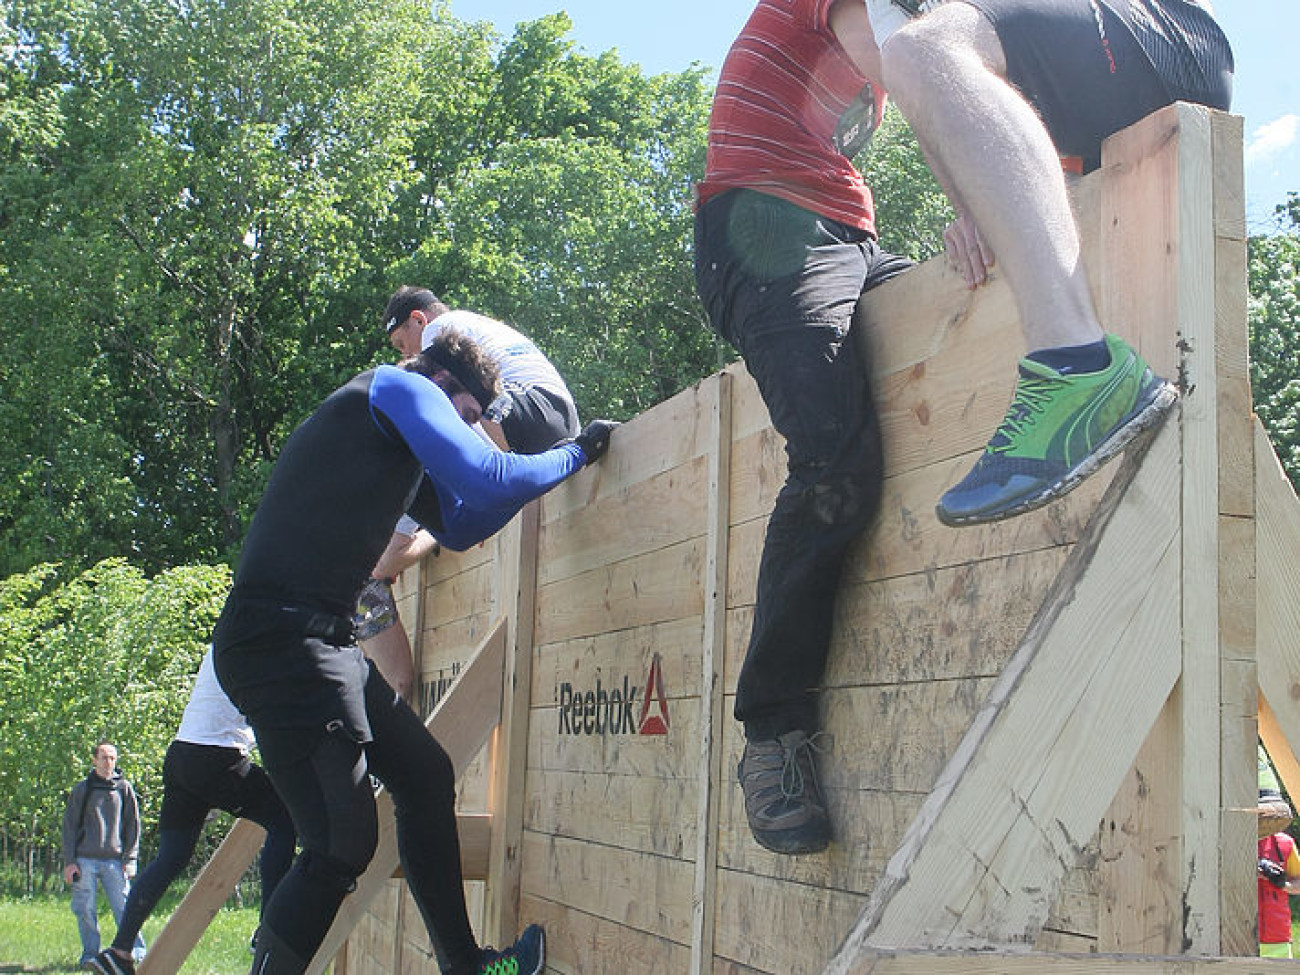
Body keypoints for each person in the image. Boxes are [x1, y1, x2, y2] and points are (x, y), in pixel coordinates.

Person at [211, 327, 615, 974]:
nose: (471, 434)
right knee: (340, 841)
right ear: (445, 383)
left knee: (424, 775)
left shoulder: (397, 442)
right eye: (470, 419)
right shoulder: (394, 388)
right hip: (280, 636)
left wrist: (531, 477)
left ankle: (465, 965)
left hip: (320, 638)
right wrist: (575, 451)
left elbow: (462, 524)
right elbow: (489, 477)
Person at [846, 0, 1232, 525]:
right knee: (913, 53)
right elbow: (919, 90)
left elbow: (931, 54)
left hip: (1163, 36)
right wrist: (974, 205)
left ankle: (1076, 363)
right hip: (1083, 96)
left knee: (925, 46)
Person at [693, 0, 914, 854]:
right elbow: (931, 83)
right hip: (767, 226)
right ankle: (773, 731)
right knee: (830, 458)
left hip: (850, 233)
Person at [356, 286, 584, 705]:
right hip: (552, 415)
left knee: (436, 453)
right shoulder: (473, 332)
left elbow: (484, 474)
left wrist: (494, 487)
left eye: (401, 342)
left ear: (419, 321)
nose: (403, 354)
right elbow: (457, 530)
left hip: (529, 415)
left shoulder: (440, 339)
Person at [86, 649, 296, 975]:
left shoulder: (225, 639)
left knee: (171, 857)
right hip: (218, 758)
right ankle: (268, 928)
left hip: (182, 755)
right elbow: (271, 714)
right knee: (284, 820)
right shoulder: (261, 639)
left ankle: (120, 950)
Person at [61, 741, 146, 967]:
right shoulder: (83, 789)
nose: (109, 763)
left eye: (112, 758)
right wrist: (70, 863)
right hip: (85, 859)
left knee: (125, 907)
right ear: (94, 760)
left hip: (114, 860)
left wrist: (130, 860)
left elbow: (133, 826)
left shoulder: (124, 788)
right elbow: (69, 827)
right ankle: (90, 954)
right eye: (104, 758)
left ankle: (136, 950)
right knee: (85, 909)